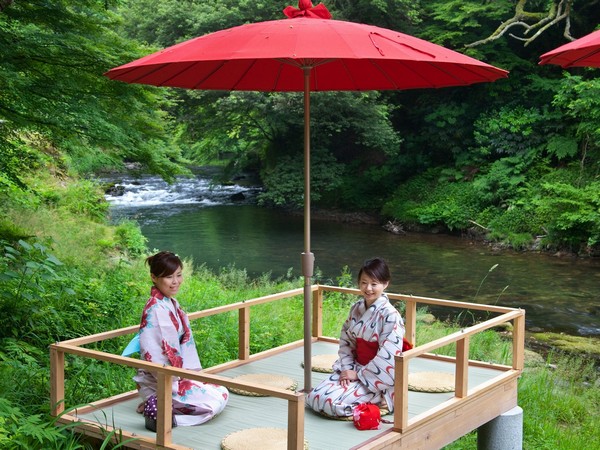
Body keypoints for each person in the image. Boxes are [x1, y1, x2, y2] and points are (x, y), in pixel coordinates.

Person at [133, 251, 228, 430]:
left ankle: (164, 406)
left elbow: (183, 342)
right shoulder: (156, 308)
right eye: (169, 277)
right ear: (154, 277)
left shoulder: (170, 303)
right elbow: (157, 355)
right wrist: (177, 379)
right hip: (160, 379)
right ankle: (159, 405)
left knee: (220, 391)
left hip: (176, 374)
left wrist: (188, 375)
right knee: (211, 404)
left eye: (178, 275)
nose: (175, 281)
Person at [305, 257, 406, 418]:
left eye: (374, 284)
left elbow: (389, 356)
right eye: (364, 282)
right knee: (314, 397)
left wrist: (359, 375)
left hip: (376, 377)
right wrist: (347, 368)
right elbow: (346, 342)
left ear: (385, 284)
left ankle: (383, 397)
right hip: (353, 367)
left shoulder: (390, 316)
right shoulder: (356, 308)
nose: (368, 288)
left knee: (333, 404)